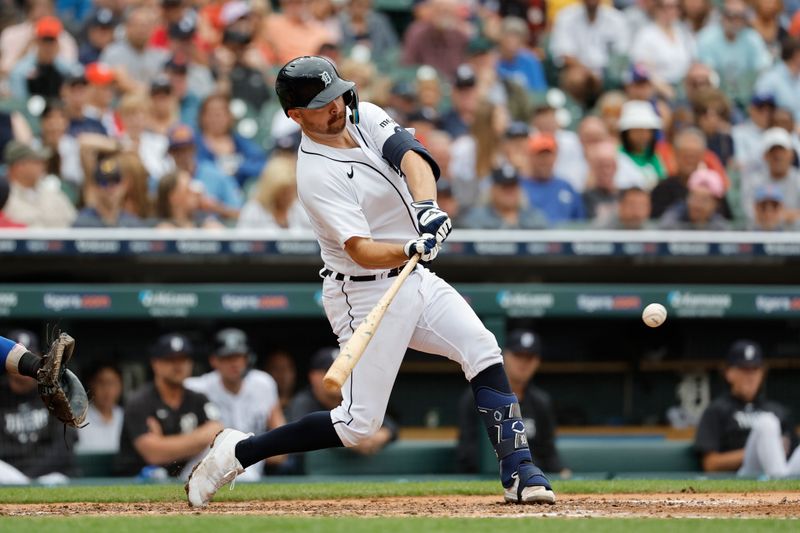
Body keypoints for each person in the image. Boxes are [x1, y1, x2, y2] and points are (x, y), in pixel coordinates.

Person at [186, 55, 555, 507]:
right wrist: (408, 247)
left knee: (481, 347)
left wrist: (426, 209)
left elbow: (412, 157)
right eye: (322, 104)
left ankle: (519, 468)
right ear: (295, 115)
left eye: (337, 94)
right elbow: (360, 247)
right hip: (361, 290)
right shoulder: (315, 174)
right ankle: (240, 451)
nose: (336, 106)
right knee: (358, 425)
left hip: (412, 277)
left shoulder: (368, 116)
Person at [457, 329, 566, 477]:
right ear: (504, 356)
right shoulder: (476, 396)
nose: (523, 363)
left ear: (537, 362)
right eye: (518, 355)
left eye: (529, 357)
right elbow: (468, 451)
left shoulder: (541, 402)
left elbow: (548, 451)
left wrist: (561, 472)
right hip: (488, 477)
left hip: (533, 476)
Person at [115, 333, 224, 478]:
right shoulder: (139, 402)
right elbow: (154, 454)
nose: (178, 365)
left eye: (183, 359)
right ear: (155, 363)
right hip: (139, 482)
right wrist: (200, 439)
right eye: (170, 359)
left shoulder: (198, 399)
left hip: (185, 479)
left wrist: (165, 444)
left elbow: (218, 432)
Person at [184, 328, 286, 480]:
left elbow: (281, 447)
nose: (234, 363)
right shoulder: (196, 388)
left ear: (247, 358)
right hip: (203, 470)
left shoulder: (263, 384)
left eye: (238, 356)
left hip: (248, 473)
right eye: (226, 357)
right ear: (214, 360)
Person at [695, 340, 800, 478]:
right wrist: (764, 449)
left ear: (762, 373)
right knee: (767, 423)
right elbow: (711, 464)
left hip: (782, 471)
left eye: (755, 369)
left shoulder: (777, 410)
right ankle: (780, 487)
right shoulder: (717, 410)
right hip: (745, 476)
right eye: (744, 369)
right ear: (729, 373)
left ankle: (781, 485)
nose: (750, 377)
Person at [287, 347, 399, 471]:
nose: (340, 377)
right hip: (306, 472)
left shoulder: (353, 398)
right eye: (330, 371)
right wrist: (351, 441)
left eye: (344, 371)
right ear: (313, 376)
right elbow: (305, 436)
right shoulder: (303, 402)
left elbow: (390, 425)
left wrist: (376, 438)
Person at [0, 330, 78, 483]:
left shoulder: (54, 391)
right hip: (8, 474)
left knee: (57, 479)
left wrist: (30, 477)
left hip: (49, 476)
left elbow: (63, 446)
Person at [2, 140, 77, 228]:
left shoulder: (52, 193)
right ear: (19, 166)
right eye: (37, 162)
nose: (43, 166)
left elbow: (74, 221)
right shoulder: (4, 197)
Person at [521, 133, 585, 226]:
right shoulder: (519, 186)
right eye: (540, 156)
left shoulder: (566, 187)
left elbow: (580, 222)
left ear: (555, 157)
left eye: (548, 155)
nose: (545, 160)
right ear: (530, 157)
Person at [460, 164, 548, 229]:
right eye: (504, 187)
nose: (509, 191)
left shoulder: (534, 217)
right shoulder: (477, 218)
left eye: (512, 186)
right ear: (493, 190)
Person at [236, 156, 311, 230]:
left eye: (289, 192)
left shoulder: (299, 209)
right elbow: (242, 240)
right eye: (282, 192)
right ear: (270, 190)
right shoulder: (253, 211)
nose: (287, 197)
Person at [659, 168, 730, 230]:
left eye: (704, 200)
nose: (697, 205)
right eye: (694, 198)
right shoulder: (672, 220)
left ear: (715, 204)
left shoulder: (720, 228)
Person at [75, 364, 124, 453]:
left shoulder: (125, 417)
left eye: (112, 383)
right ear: (91, 384)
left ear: (120, 386)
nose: (107, 390)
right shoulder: (77, 418)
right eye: (101, 383)